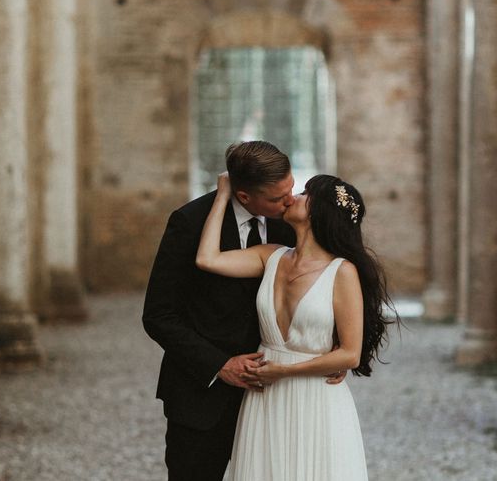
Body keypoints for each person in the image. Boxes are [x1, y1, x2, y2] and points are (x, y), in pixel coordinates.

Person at [196, 172, 397, 480]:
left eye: (304, 194)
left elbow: (350, 354)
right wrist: (222, 195)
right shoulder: (270, 256)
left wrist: (283, 371)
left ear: (319, 212)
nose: (292, 197)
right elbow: (207, 259)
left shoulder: (342, 272)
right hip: (264, 398)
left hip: (315, 396)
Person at [144, 141, 310, 480]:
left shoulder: (292, 224)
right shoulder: (189, 223)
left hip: (273, 394)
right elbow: (159, 315)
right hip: (200, 395)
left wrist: (334, 354)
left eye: (291, 189)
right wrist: (220, 365)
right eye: (278, 198)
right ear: (245, 196)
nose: (289, 200)